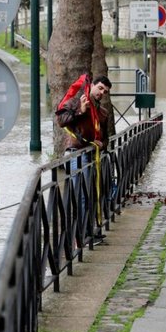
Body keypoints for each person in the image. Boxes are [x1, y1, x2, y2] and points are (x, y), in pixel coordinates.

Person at [55, 74, 112, 234]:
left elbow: (106, 138)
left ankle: (88, 230)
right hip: (75, 154)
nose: (101, 93)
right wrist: (80, 110)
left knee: (91, 193)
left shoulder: (103, 112)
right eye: (100, 88)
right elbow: (61, 120)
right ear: (92, 85)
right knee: (81, 194)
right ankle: (84, 233)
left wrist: (101, 145)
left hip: (93, 155)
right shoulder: (76, 101)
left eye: (105, 92)